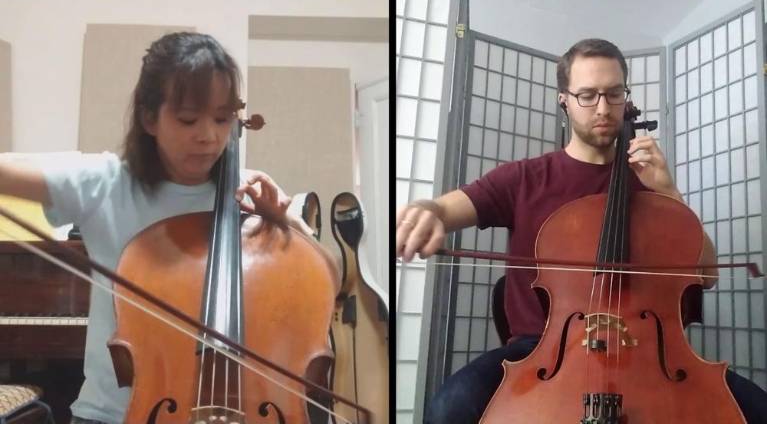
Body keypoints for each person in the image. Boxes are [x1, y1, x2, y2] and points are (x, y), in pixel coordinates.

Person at [395, 38, 767, 423]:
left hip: (646, 351)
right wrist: (427, 212)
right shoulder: (524, 179)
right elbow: (443, 208)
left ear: (626, 95)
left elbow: (706, 275)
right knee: (448, 408)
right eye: (587, 95)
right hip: (541, 349)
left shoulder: (651, 184)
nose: (603, 108)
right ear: (564, 100)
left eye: (614, 93)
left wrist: (670, 194)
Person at [0, 32, 319, 424]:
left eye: (222, 119)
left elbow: (327, 279)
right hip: (114, 415)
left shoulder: (246, 193)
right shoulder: (106, 184)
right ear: (150, 117)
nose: (209, 136)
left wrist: (285, 222)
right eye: (188, 119)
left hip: (235, 410)